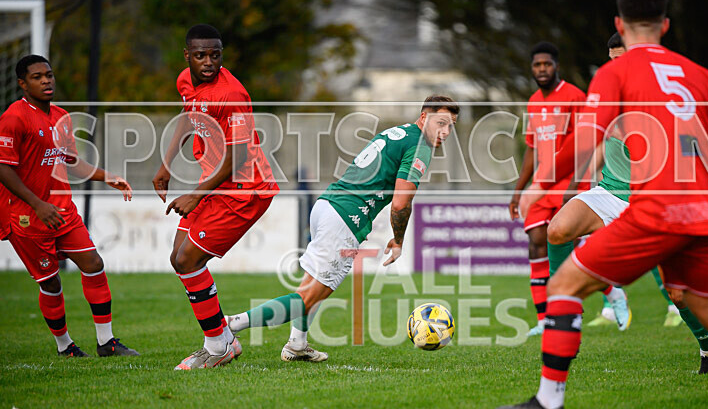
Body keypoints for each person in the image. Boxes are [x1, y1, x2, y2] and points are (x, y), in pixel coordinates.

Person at [496, 0, 708, 409]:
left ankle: (549, 401)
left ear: (619, 23)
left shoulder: (615, 73)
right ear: (665, 25)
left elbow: (582, 143)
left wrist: (541, 184)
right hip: (705, 210)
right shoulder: (701, 76)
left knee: (563, 286)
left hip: (654, 207)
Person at [225, 95, 459, 361]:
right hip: (344, 218)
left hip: (327, 205)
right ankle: (231, 325)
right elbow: (401, 202)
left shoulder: (401, 133)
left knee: (311, 285)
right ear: (423, 118)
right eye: (441, 123)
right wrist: (398, 239)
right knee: (312, 294)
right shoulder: (420, 147)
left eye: (451, 125)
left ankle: (297, 344)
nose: (446, 131)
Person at [546, 33, 708, 374]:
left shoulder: (660, 101)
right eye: (612, 59)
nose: (617, 66)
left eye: (622, 58)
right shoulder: (608, 95)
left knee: (679, 296)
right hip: (608, 193)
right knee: (557, 229)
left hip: (650, 202)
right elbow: (599, 145)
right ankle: (570, 310)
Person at [0, 55, 138, 357]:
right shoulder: (14, 117)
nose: (46, 81)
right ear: (23, 83)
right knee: (52, 282)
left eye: (49, 75)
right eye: (37, 77)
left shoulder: (61, 116)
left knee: (94, 265)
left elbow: (69, 161)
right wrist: (37, 203)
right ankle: (65, 346)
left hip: (61, 210)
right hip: (25, 216)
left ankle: (106, 343)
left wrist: (106, 176)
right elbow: (0, 167)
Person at [152, 24, 279, 370]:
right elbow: (187, 116)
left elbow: (237, 158)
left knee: (188, 261)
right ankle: (223, 339)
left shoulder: (233, 95)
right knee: (179, 258)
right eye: (200, 55)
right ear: (187, 56)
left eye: (215, 55)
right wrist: (166, 164)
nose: (209, 62)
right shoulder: (185, 81)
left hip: (243, 191)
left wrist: (195, 195)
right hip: (218, 184)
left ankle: (219, 344)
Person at [510, 42, 628, 337]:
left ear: (556, 66)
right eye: (536, 65)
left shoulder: (576, 96)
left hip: (570, 181)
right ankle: (546, 316)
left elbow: (588, 140)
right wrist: (518, 190)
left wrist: (575, 183)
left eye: (546, 64)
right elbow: (531, 148)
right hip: (544, 182)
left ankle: (611, 295)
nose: (541, 70)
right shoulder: (534, 102)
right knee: (538, 241)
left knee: (585, 247)